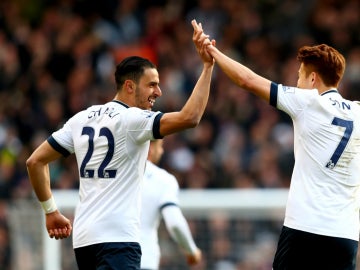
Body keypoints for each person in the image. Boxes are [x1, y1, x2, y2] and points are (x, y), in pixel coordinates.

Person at [26, 19, 214, 270]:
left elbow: (35, 161)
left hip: (84, 242)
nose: (158, 92)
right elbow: (190, 118)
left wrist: (50, 211)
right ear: (129, 86)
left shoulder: (81, 118)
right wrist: (208, 67)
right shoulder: (132, 119)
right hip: (118, 240)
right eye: (152, 84)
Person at [194, 21, 360, 270]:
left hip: (305, 228)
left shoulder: (307, 101)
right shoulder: (358, 112)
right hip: (346, 235)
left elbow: (247, 80)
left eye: (299, 77)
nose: (297, 83)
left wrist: (213, 53)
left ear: (313, 78)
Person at [140, 139, 202, 270]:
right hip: (143, 259)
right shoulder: (162, 180)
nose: (161, 151)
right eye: (160, 146)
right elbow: (175, 223)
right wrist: (191, 250)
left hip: (106, 258)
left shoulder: (109, 173)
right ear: (150, 147)